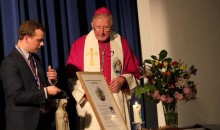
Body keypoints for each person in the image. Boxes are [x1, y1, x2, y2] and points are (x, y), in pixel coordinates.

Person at [66, 7, 141, 130]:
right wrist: (85, 92)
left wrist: (122, 80)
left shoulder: (121, 43)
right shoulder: (80, 44)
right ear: (92, 25)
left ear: (111, 27)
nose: (101, 32)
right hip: (91, 103)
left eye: (106, 28)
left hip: (115, 99)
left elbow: (135, 71)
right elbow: (70, 76)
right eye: (98, 27)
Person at [0, 20, 61, 130]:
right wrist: (46, 91)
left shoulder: (35, 59)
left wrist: (51, 81)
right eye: (39, 40)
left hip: (42, 121)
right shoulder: (10, 62)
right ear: (27, 38)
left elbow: (36, 87)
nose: (42, 44)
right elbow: (16, 96)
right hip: (23, 124)